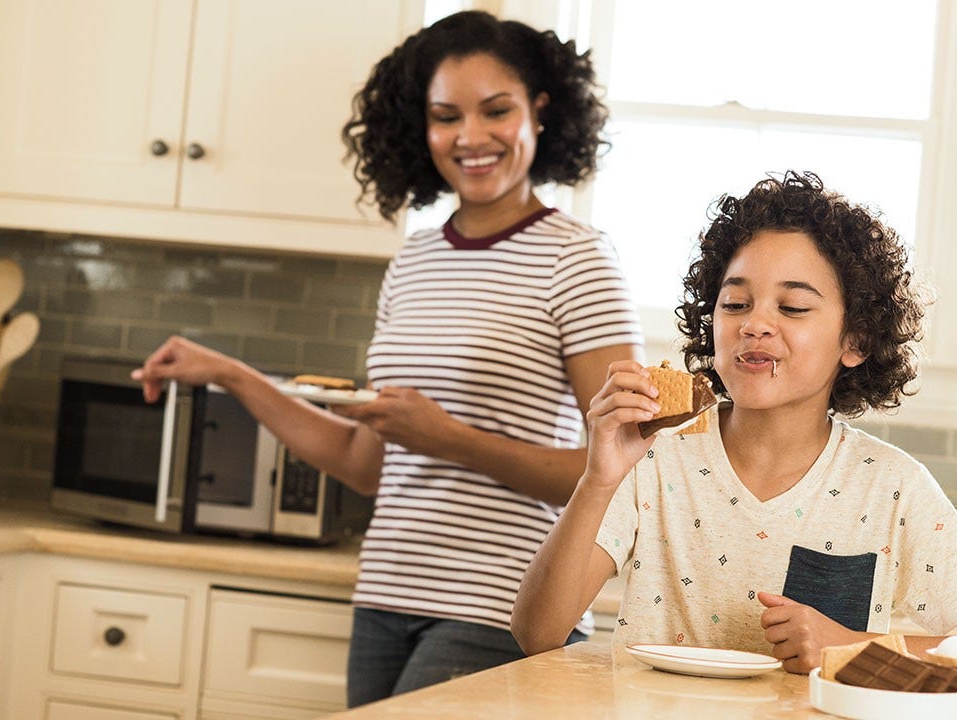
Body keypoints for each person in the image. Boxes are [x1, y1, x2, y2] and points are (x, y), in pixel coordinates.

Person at [133, 10, 643, 706]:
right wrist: (230, 375)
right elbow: (368, 463)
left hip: (500, 606)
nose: (470, 137)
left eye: (497, 110)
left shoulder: (578, 259)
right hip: (385, 596)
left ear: (541, 112)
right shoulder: (414, 260)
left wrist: (451, 439)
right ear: (418, 126)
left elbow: (614, 474)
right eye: (445, 116)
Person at [511, 171, 957, 673]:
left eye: (792, 309)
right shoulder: (653, 458)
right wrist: (598, 478)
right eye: (735, 304)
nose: (755, 325)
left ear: (856, 340)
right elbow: (537, 634)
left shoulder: (891, 487)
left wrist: (850, 645)